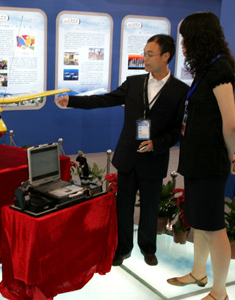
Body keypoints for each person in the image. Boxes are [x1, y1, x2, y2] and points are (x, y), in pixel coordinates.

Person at [56, 34, 189, 266]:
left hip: (154, 157)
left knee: (149, 207)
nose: (144, 59)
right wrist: (73, 102)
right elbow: (105, 99)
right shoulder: (134, 83)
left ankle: (148, 248)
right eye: (144, 53)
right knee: (123, 206)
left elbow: (178, 130)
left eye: (150, 54)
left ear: (166, 56)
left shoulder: (179, 91)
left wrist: (156, 143)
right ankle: (122, 248)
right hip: (128, 156)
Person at [166, 12, 235, 300]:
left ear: (200, 37)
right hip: (196, 160)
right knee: (200, 221)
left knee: (213, 226)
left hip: (210, 162)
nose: (182, 44)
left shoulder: (221, 71)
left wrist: (233, 157)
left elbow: (230, 121)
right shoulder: (207, 69)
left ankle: (219, 292)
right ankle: (198, 272)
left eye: (186, 38)